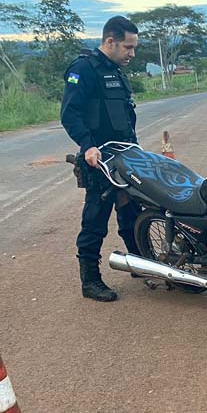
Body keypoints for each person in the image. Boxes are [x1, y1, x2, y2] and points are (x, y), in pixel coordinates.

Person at [61, 15, 141, 302]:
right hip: (99, 161)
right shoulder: (84, 69)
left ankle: (141, 264)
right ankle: (90, 280)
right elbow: (69, 114)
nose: (132, 54)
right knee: (95, 219)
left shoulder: (116, 71)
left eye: (133, 48)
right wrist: (87, 146)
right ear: (110, 41)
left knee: (133, 213)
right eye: (128, 47)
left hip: (125, 156)